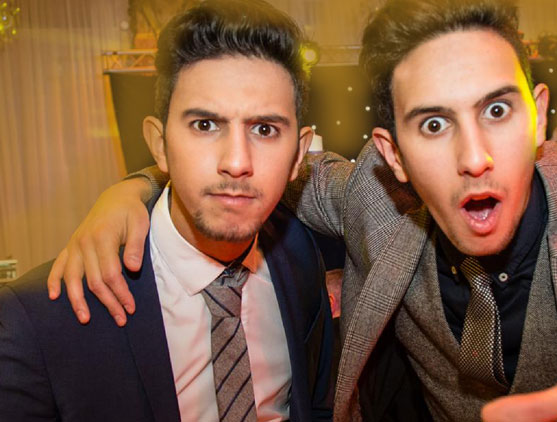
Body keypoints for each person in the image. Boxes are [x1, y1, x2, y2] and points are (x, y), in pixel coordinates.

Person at [47, 0, 557, 421]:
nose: (474, 156)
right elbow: (249, 169)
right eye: (434, 124)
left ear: (539, 117)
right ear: (394, 154)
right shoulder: (373, 199)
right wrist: (133, 189)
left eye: (497, 111)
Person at [0, 1, 333, 421]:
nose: (236, 161)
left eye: (264, 129)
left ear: (299, 153)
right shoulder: (36, 321)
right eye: (205, 125)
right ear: (159, 145)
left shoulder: (299, 257)